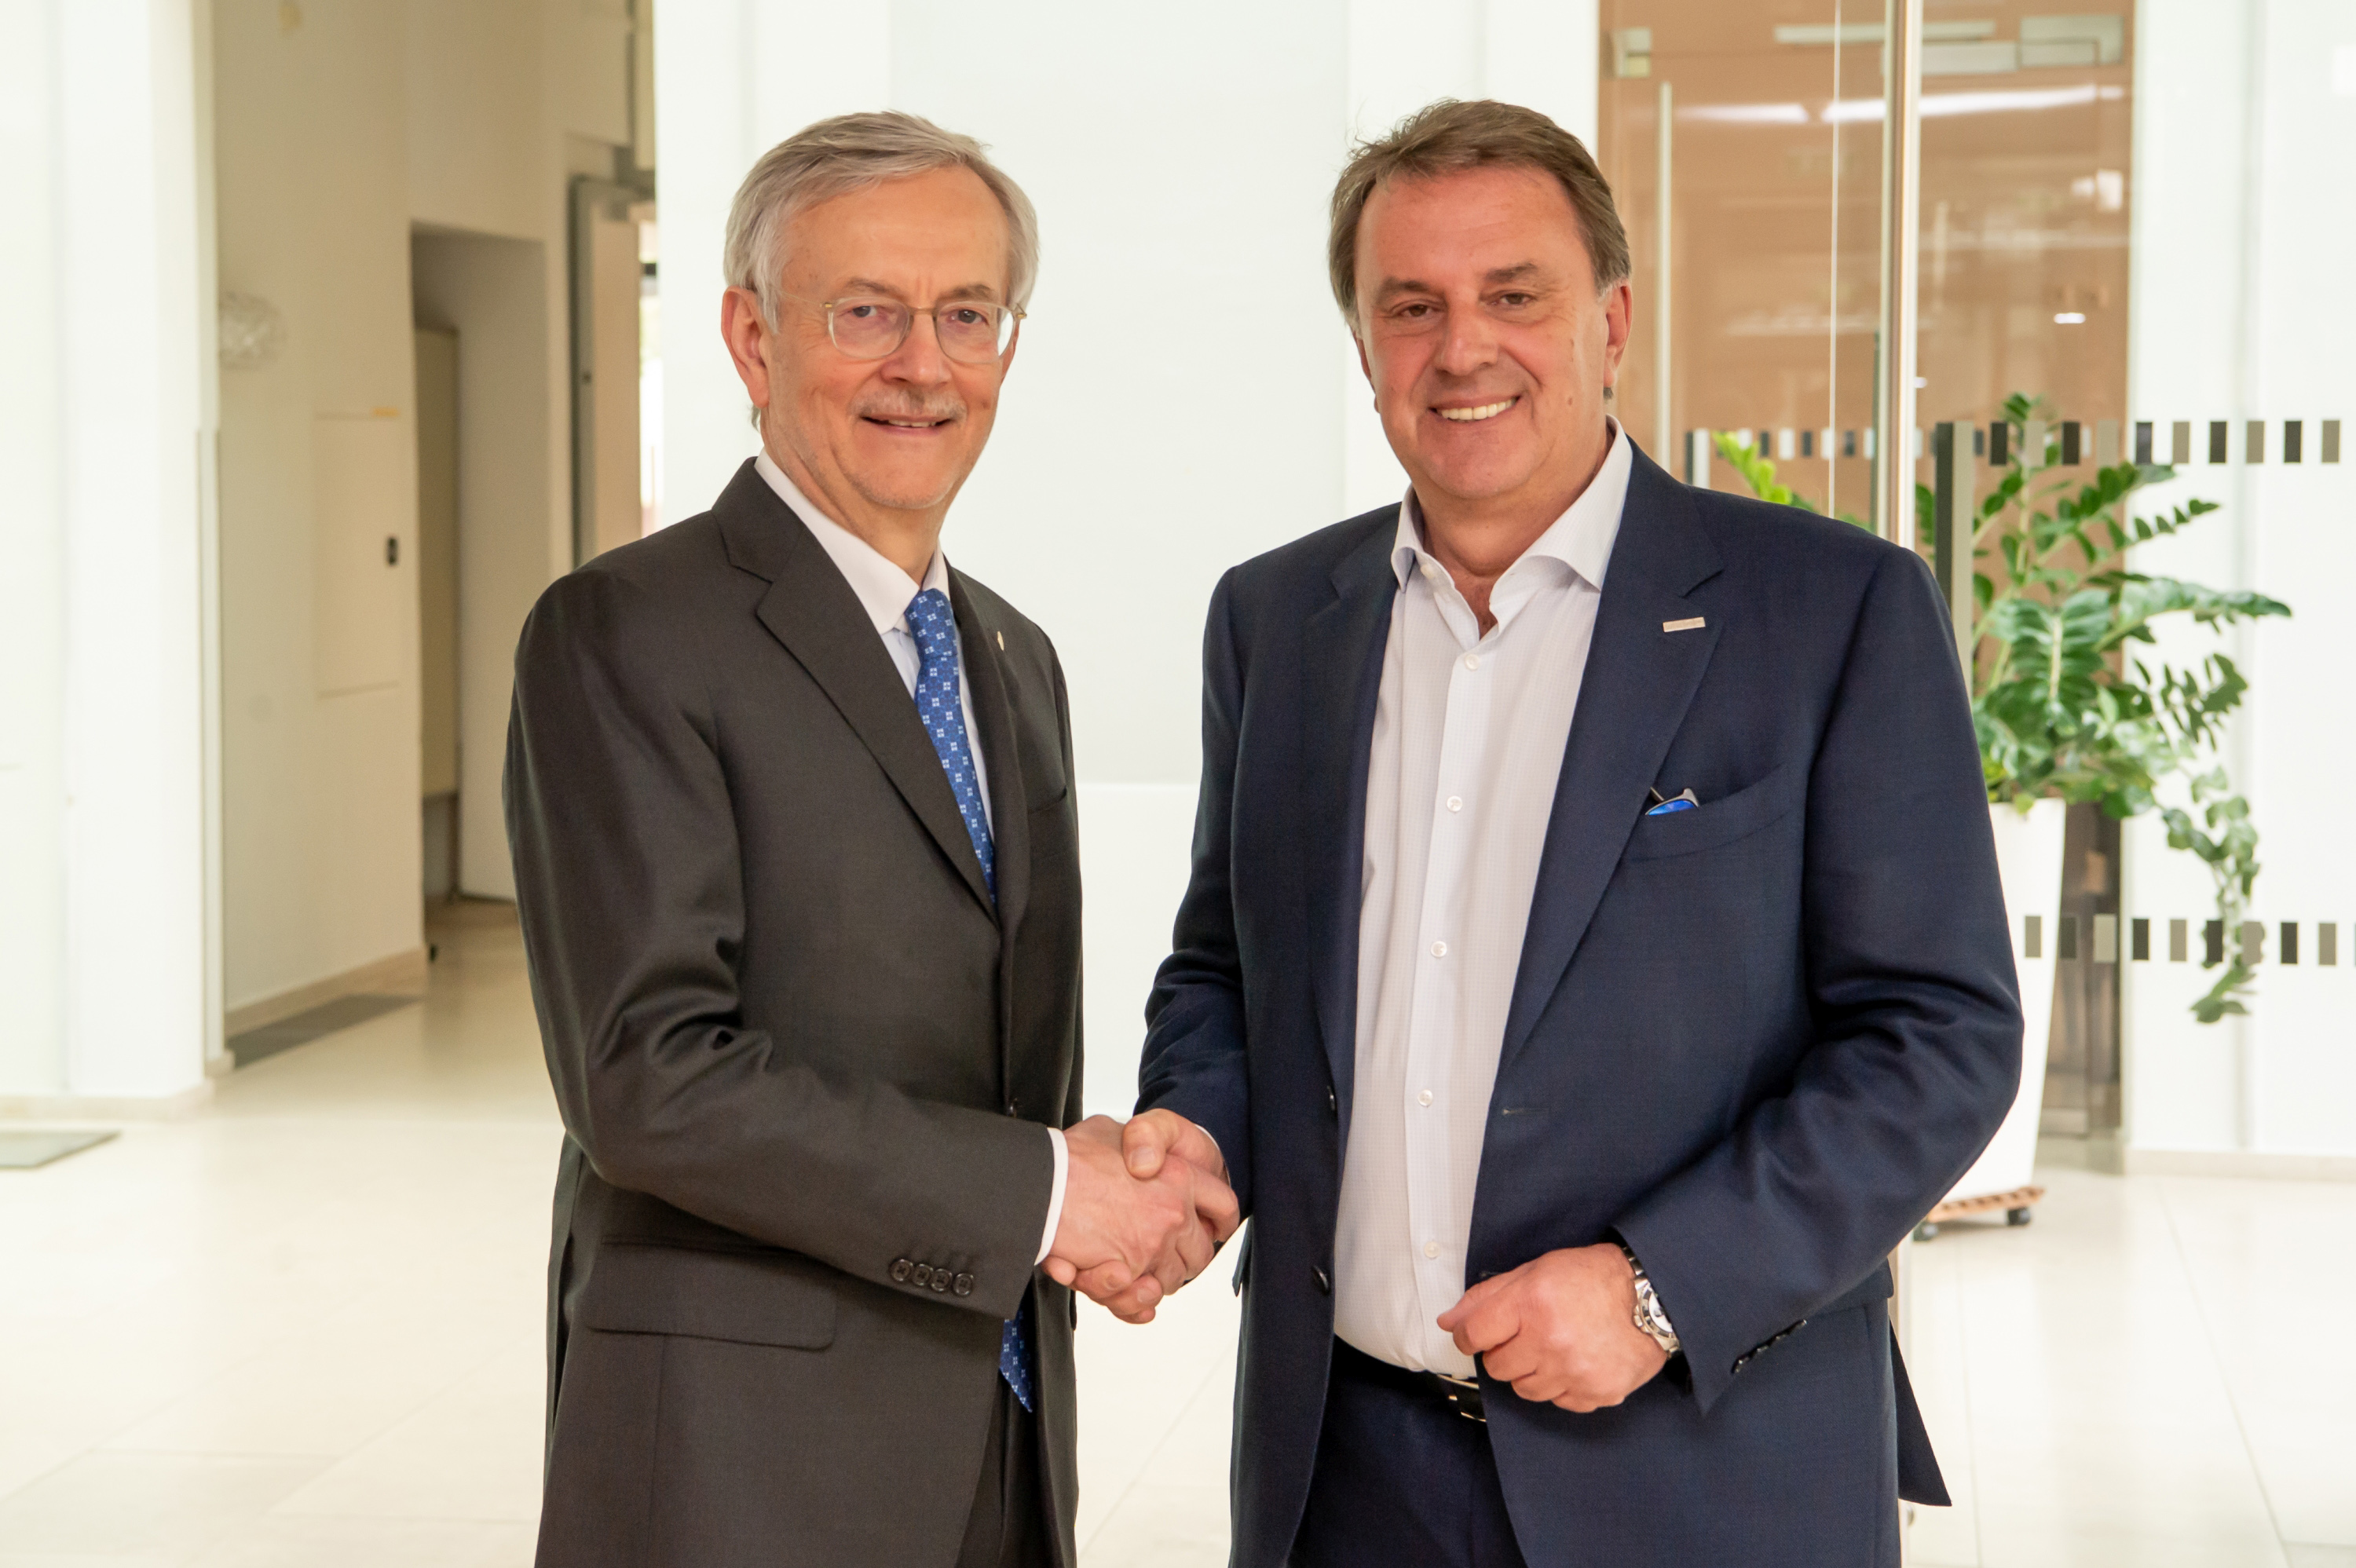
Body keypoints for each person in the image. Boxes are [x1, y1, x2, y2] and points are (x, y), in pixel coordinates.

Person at [1110, 98, 2022, 1567]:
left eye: (1514, 295)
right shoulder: (1276, 620)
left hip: (1700, 1465)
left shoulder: (1830, 610)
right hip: (1344, 1475)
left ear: (1612, 322)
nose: (1462, 348)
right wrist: (1197, 1134)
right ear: (1364, 348)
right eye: (1412, 306)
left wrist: (1659, 1289)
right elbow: (1226, 966)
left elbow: (1939, 1038)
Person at [506, 111, 1236, 1568]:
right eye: (865, 313)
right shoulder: (626, 631)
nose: (924, 363)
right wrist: (1050, 1195)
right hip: (742, 1461)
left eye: (967, 313)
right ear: (751, 338)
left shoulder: (1013, 657)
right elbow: (648, 1077)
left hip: (999, 1430)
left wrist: (1113, 1176)